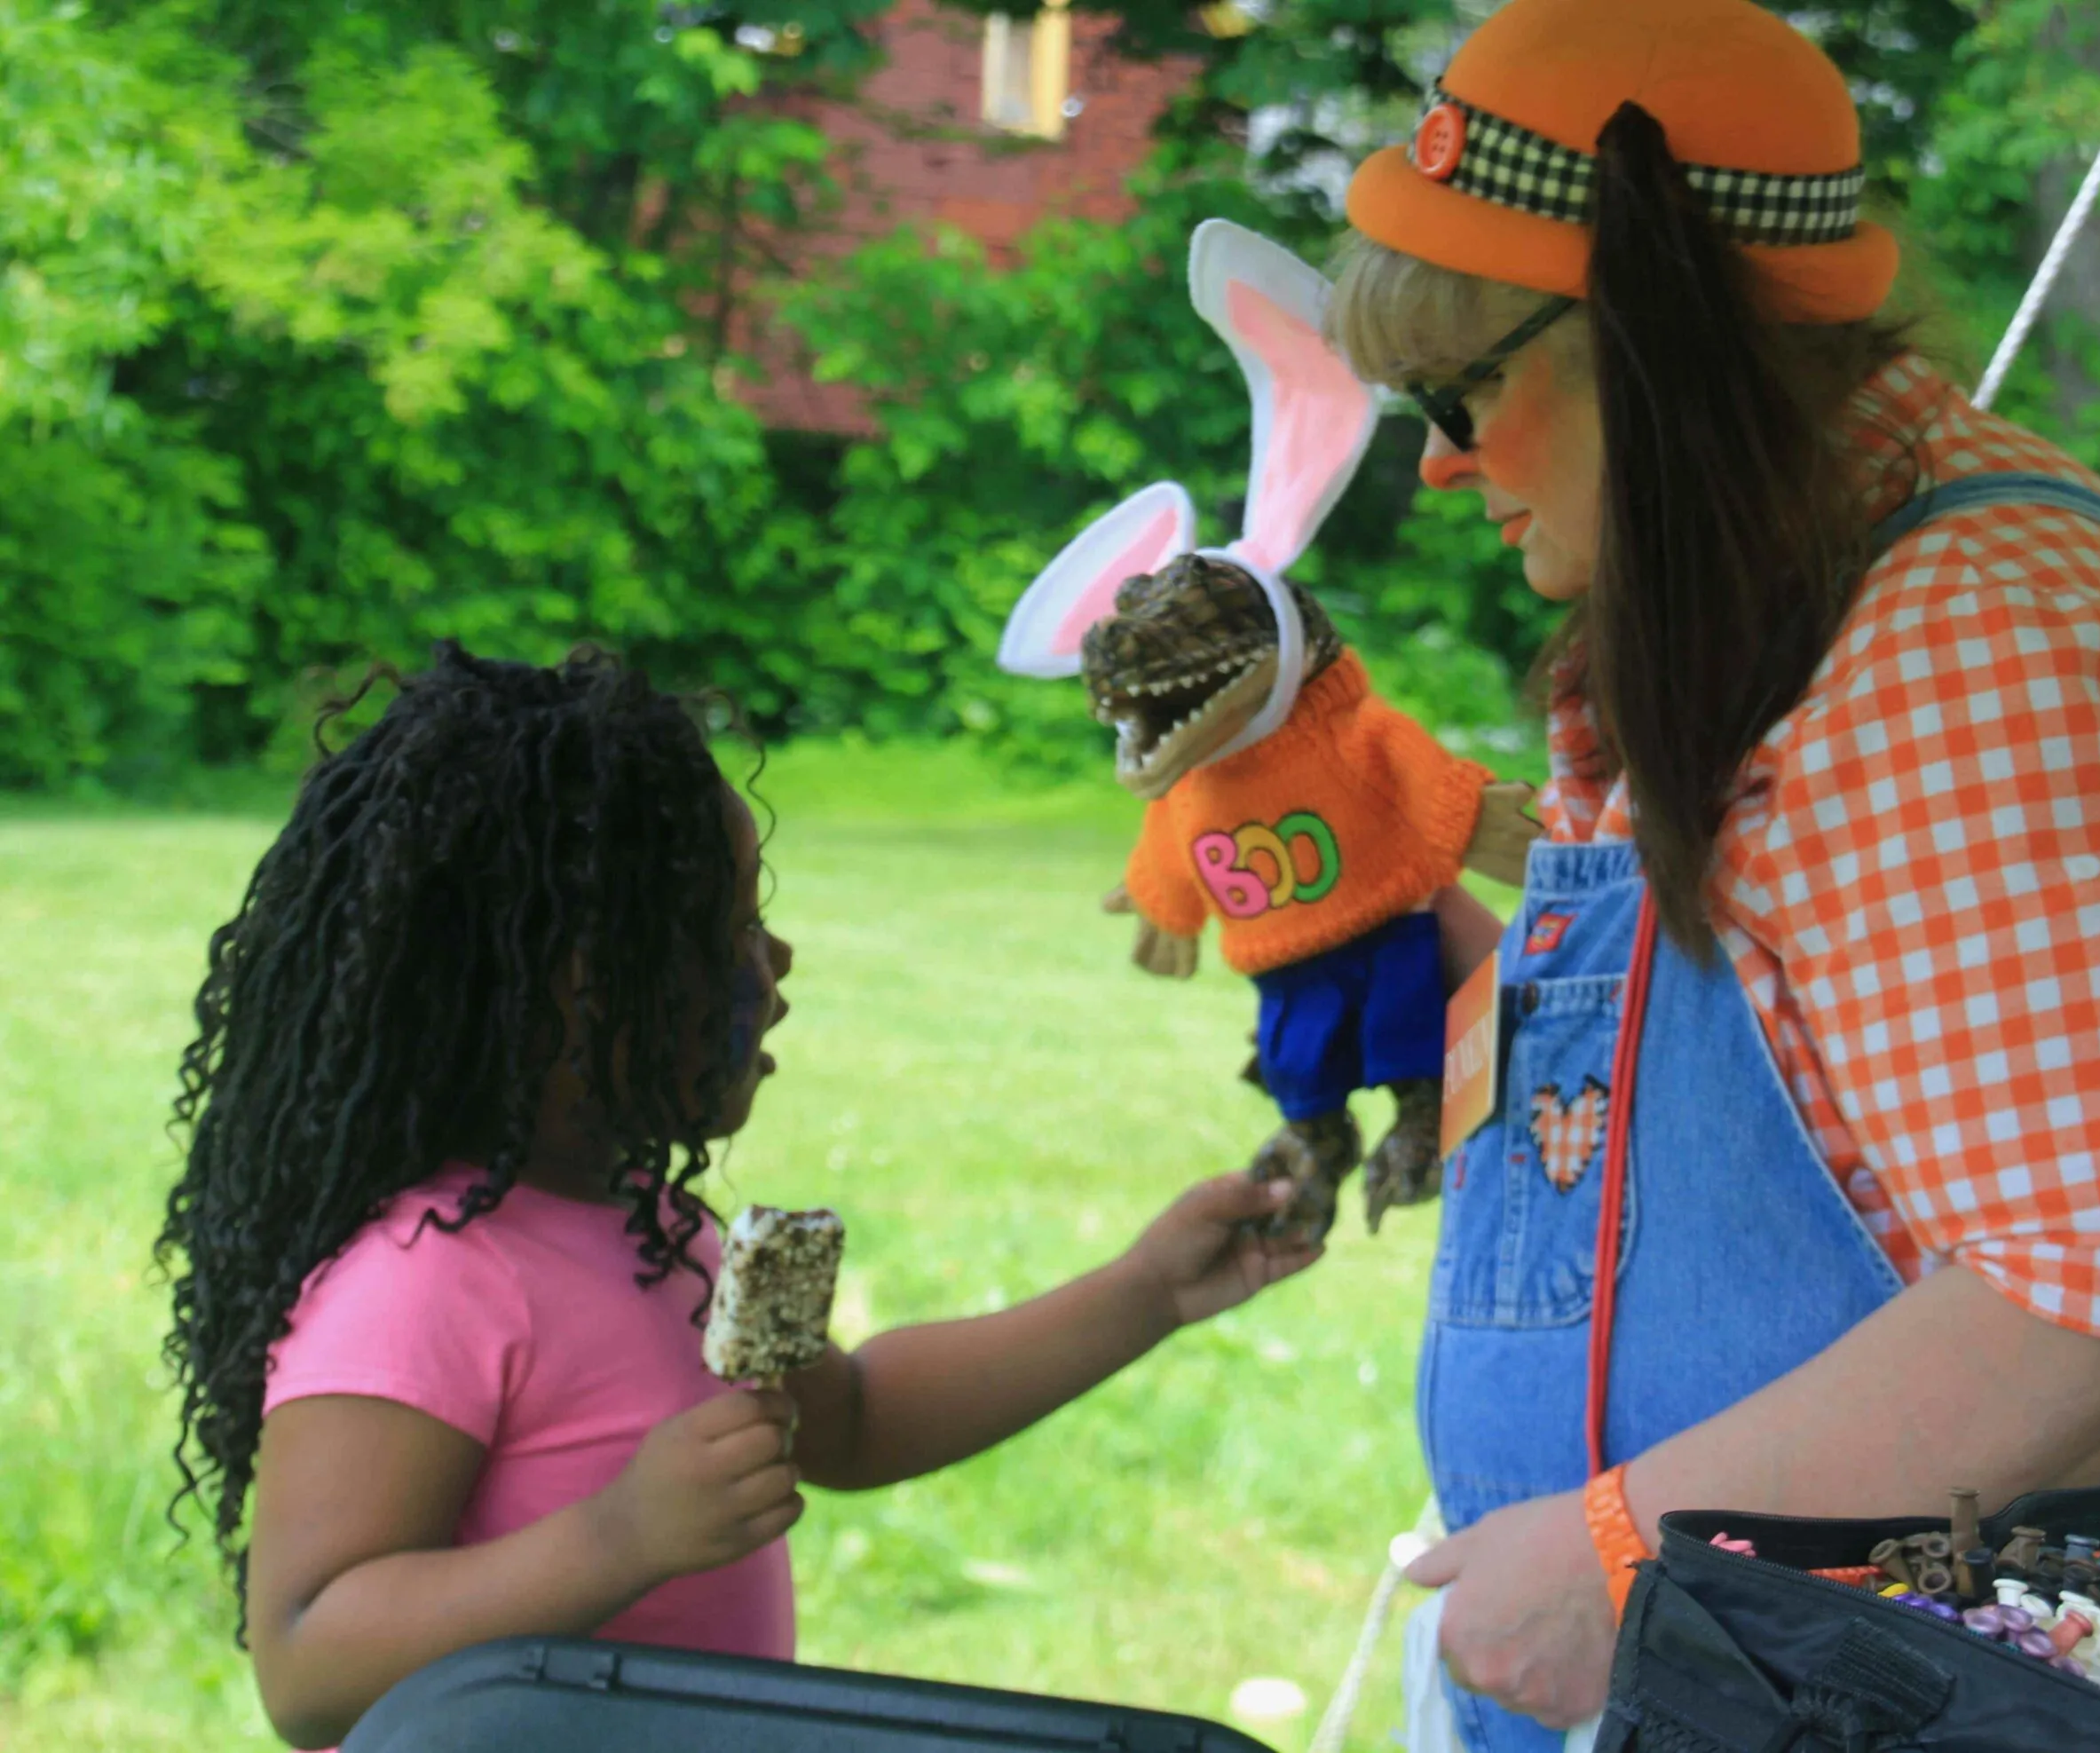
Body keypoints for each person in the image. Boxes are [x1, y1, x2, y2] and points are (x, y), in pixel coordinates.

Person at [1324, 0, 2100, 1745]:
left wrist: (1616, 1558)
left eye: (1460, 390)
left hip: (1872, 1699)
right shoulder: (1778, 615)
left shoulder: (1961, 654)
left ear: (1647, 341)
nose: (1437, 460)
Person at [156, 644, 1318, 1751]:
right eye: (725, 930)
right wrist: (619, 1535)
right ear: (558, 990)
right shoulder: (425, 1277)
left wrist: (1147, 1288)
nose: (781, 958)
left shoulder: (658, 1235)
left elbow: (853, 1417)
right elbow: (307, 1661)